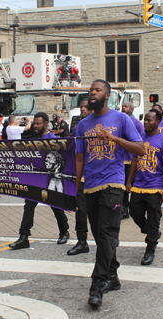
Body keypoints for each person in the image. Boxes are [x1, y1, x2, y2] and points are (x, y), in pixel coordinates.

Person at [74, 79, 144, 308]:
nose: (92, 93)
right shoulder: (82, 125)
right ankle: (112, 275)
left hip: (113, 184)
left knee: (106, 233)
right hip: (90, 186)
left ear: (107, 95)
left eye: (97, 90)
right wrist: (76, 188)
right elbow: (79, 159)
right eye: (91, 90)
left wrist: (113, 138)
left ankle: (97, 286)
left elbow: (140, 149)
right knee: (101, 235)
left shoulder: (121, 119)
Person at [9, 112, 70, 250]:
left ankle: (64, 231)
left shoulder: (53, 139)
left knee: (56, 206)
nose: (35, 126)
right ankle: (24, 236)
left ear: (46, 124)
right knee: (29, 206)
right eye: (34, 123)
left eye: (38, 124)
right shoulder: (33, 138)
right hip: (35, 180)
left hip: (49, 180)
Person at [126, 109, 163, 265]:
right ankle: (151, 231)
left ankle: (150, 249)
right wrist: (129, 180)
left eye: (149, 120)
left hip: (155, 186)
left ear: (157, 123)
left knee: (154, 218)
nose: (145, 122)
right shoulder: (139, 139)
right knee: (134, 211)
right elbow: (134, 160)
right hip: (139, 184)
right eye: (145, 120)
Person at [67, 98, 92, 256]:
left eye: (86, 107)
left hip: (98, 175)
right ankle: (82, 241)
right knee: (80, 211)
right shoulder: (78, 127)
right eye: (81, 107)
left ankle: (110, 238)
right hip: (82, 176)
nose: (82, 109)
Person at [120, 102, 145, 219]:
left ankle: (131, 207)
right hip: (120, 159)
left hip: (131, 160)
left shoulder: (137, 124)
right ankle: (123, 209)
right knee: (121, 185)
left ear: (131, 109)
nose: (123, 108)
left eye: (126, 106)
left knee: (129, 185)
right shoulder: (119, 122)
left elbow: (140, 141)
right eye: (123, 106)